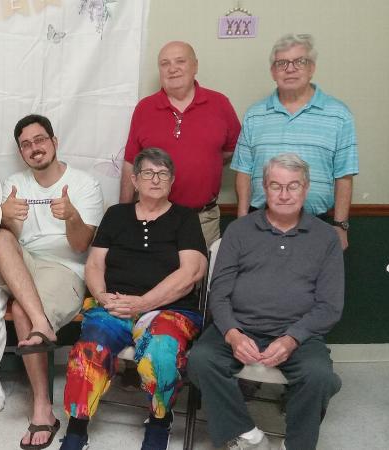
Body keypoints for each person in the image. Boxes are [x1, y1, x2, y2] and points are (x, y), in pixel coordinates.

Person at [188, 154, 344, 450]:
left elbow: (330, 305)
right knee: (200, 361)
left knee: (320, 376)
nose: (284, 194)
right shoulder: (239, 230)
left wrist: (291, 339)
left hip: (297, 333)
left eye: (293, 186)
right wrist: (233, 334)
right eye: (276, 186)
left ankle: (296, 445)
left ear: (306, 188)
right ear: (264, 187)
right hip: (238, 326)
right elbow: (218, 293)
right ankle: (246, 433)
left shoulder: (325, 238)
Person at [59, 148, 208, 450]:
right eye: (148, 173)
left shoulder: (185, 218)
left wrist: (143, 304)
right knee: (89, 349)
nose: (156, 179)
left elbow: (191, 272)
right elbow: (95, 264)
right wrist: (101, 296)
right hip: (114, 304)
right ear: (135, 180)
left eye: (163, 173)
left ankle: (159, 422)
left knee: (162, 353)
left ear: (172, 180)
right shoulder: (116, 214)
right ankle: (76, 429)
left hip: (169, 309)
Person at [0, 114, 103, 450]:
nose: (34, 148)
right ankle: (43, 323)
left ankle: (43, 410)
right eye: (26, 144)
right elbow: (2, 241)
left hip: (64, 268)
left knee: (20, 310)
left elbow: (81, 246)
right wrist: (2, 215)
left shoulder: (84, 184)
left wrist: (72, 217)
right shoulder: (13, 183)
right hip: (22, 266)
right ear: (21, 152)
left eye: (40, 140)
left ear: (54, 142)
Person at [232, 33, 358, 249]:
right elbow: (243, 171)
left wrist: (340, 225)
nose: (290, 69)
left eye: (299, 62)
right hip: (260, 222)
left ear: (312, 68)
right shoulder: (255, 114)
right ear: (273, 72)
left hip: (318, 222)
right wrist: (242, 220)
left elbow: (344, 174)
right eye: (282, 63)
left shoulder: (339, 114)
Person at [120, 41, 240, 246]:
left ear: (195, 66)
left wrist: (203, 164)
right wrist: (124, 213)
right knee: (153, 276)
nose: (172, 69)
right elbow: (131, 162)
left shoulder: (220, 104)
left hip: (203, 219)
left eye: (180, 61)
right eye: (165, 63)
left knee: (199, 276)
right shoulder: (145, 108)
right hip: (152, 217)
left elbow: (232, 151)